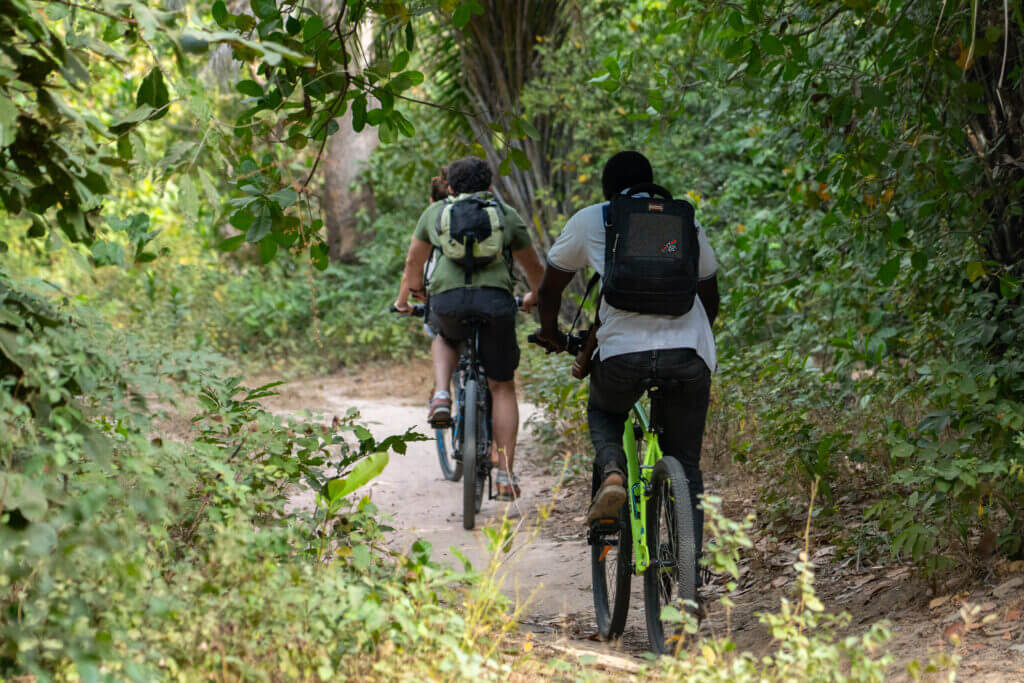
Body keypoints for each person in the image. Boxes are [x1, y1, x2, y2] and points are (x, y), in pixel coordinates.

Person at [533, 151, 720, 568]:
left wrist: (549, 332)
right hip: (688, 354)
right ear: (651, 182)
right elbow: (709, 295)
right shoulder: (682, 221)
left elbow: (550, 289)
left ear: (607, 190)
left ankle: (614, 470)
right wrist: (684, 341)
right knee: (686, 465)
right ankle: (689, 577)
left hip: (620, 356)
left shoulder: (593, 219)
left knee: (604, 410)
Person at [395, 156, 544, 499]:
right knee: (502, 385)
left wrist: (415, 294)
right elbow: (533, 266)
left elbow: (413, 262)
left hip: (448, 301)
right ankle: (505, 475)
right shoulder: (505, 215)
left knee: (445, 334)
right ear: (490, 186)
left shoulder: (435, 213)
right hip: (496, 303)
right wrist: (535, 296)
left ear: (449, 188)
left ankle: (443, 393)